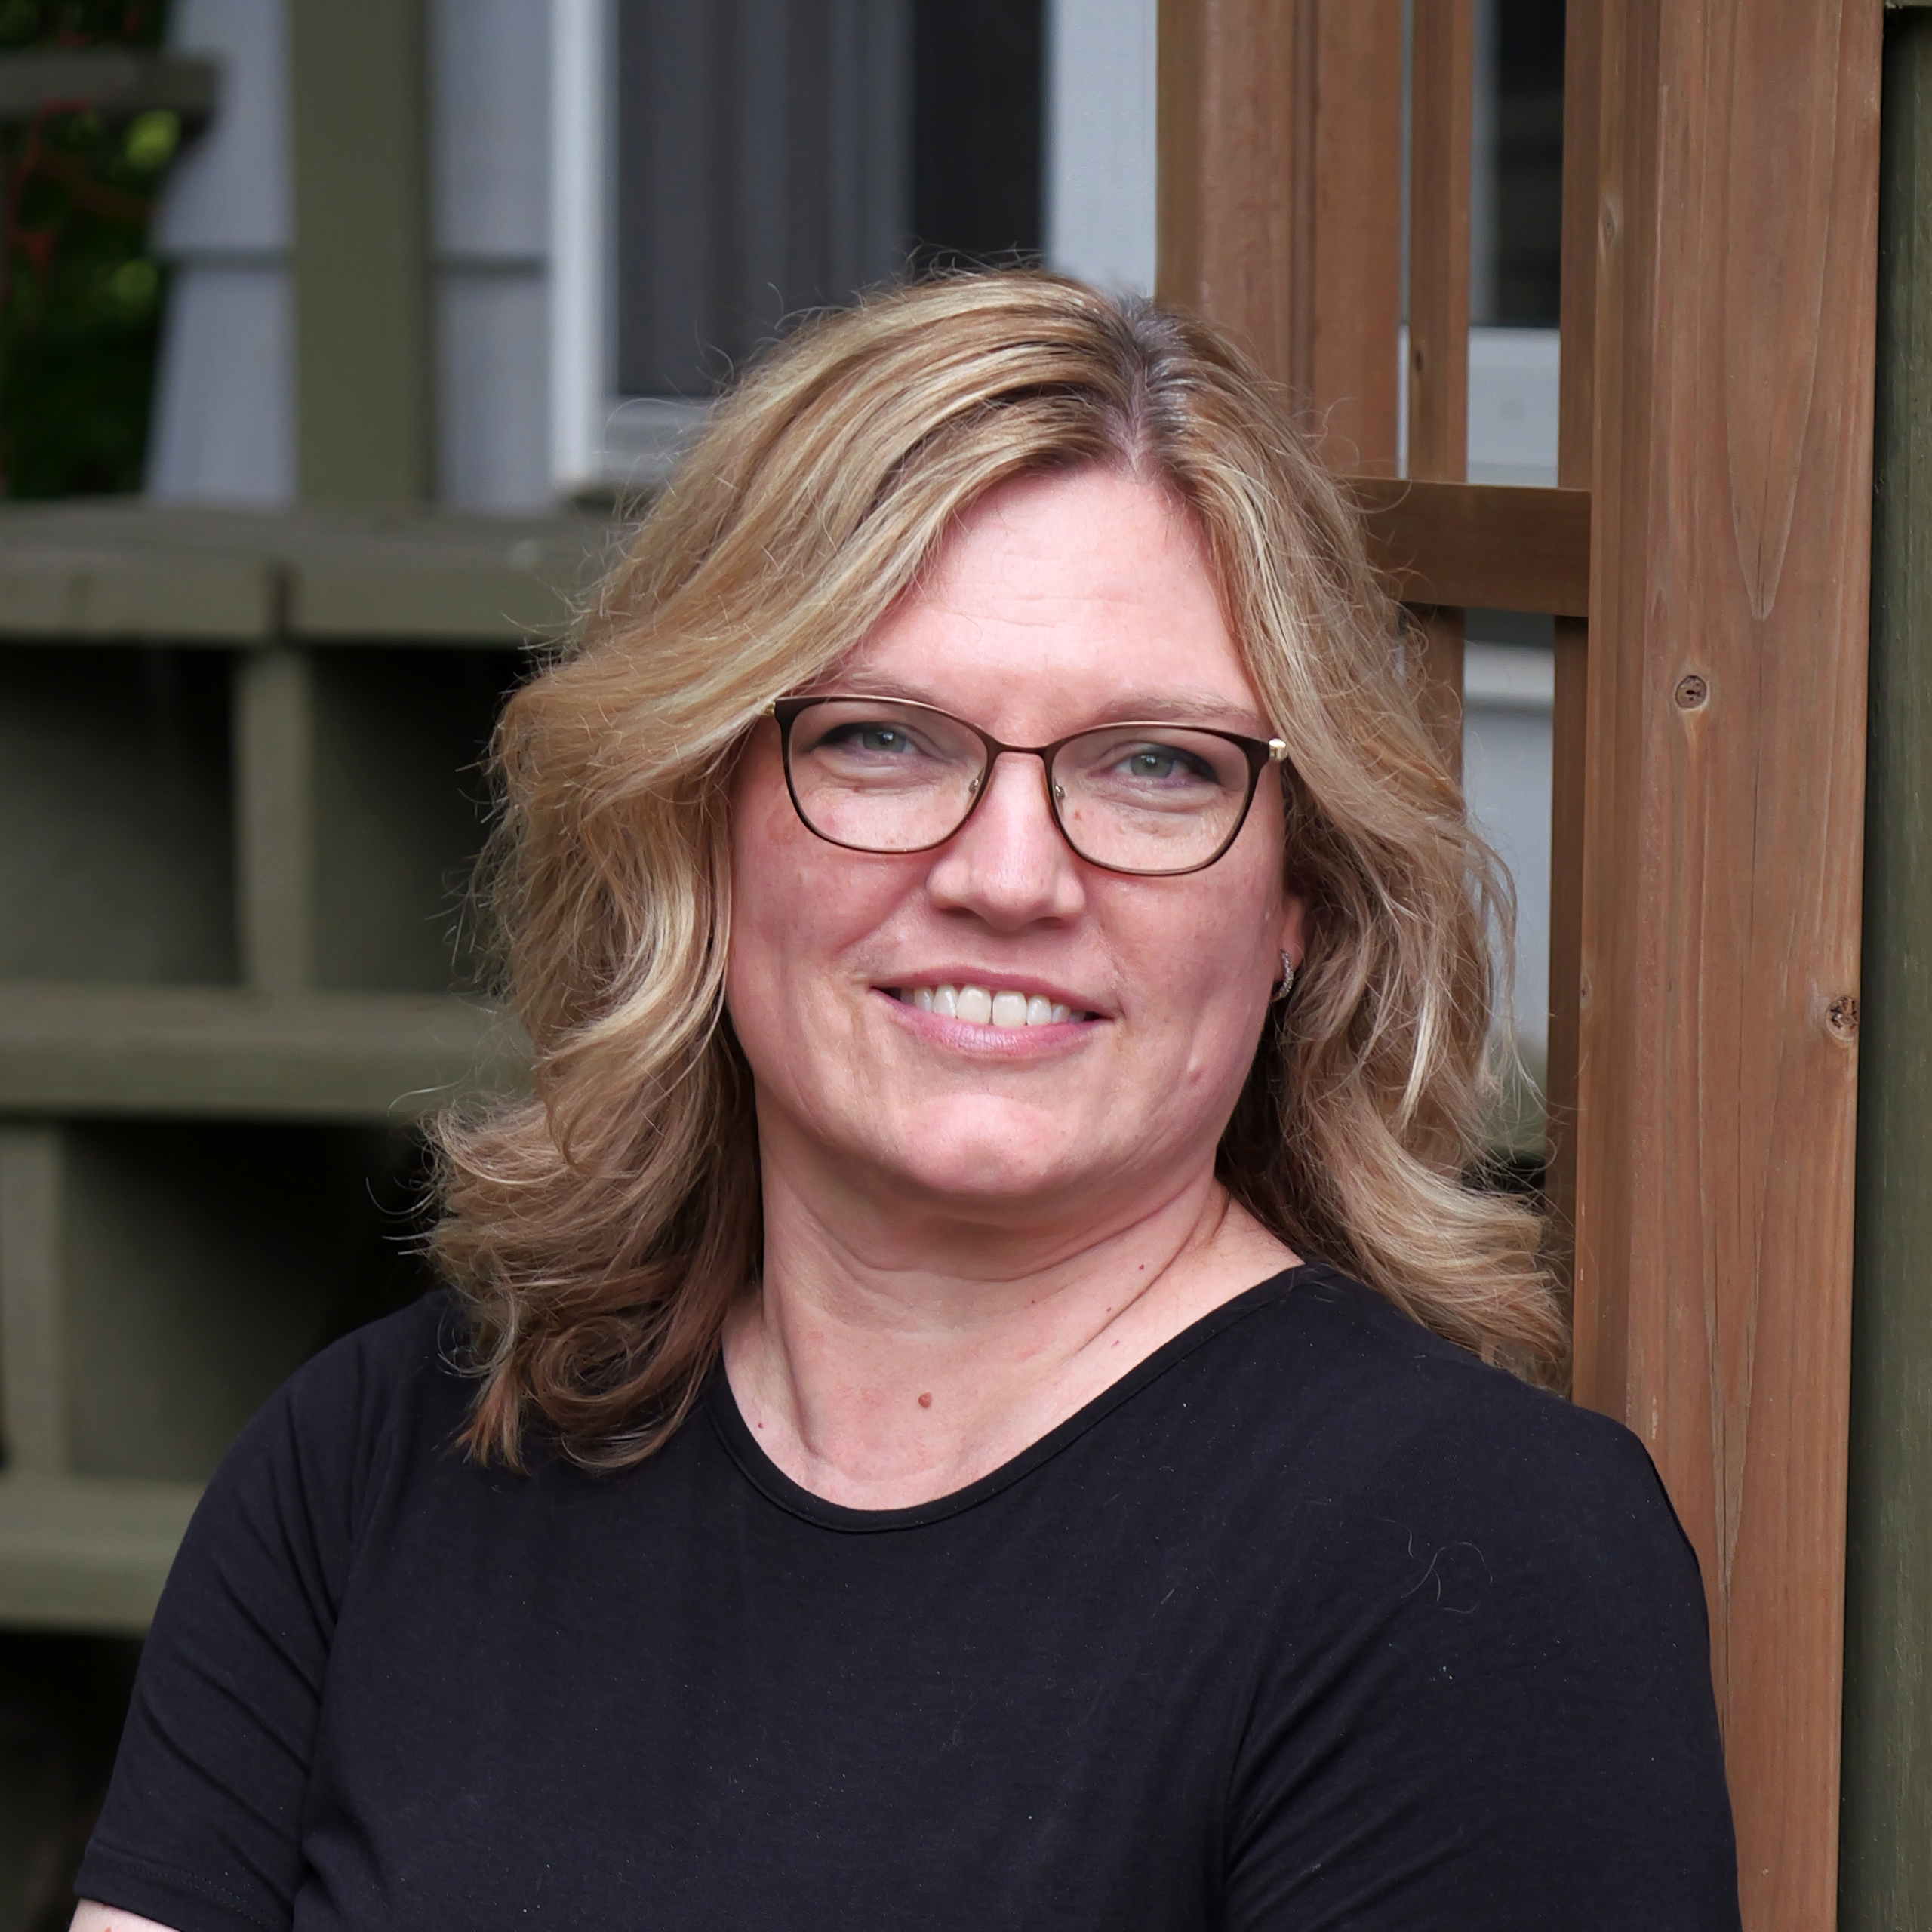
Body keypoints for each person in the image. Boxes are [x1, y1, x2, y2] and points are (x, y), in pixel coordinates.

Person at [72, 273, 1739, 1931]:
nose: (1009, 875)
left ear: (1298, 889)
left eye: (1155, 761)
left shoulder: (1471, 1561)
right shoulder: (374, 1469)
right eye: (882, 739)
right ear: (692, 815)